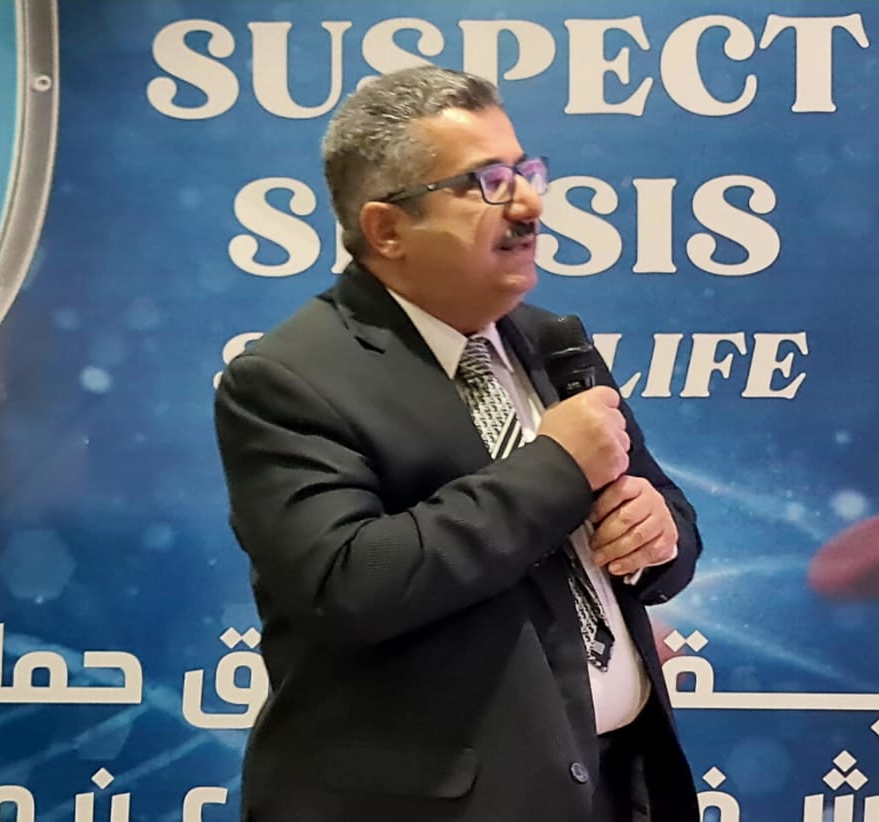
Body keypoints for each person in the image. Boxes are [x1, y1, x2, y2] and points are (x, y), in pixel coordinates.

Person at [214, 65, 703, 822]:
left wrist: (655, 533)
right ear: (387, 229)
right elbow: (347, 586)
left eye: (526, 173)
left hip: (612, 788)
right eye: (487, 184)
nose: (530, 205)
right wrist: (556, 467)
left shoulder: (552, 344)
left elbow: (667, 521)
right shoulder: (288, 378)